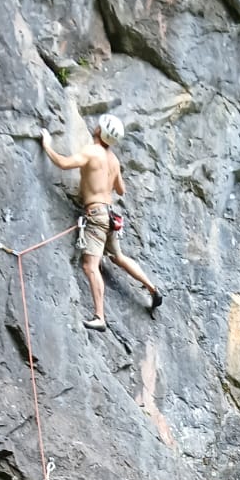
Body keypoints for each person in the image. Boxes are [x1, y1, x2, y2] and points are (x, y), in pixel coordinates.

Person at [39, 114, 163, 332]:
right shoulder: (114, 160)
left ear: (100, 131)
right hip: (109, 216)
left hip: (96, 215)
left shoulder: (91, 151)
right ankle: (152, 289)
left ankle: (100, 317)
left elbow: (63, 163)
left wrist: (47, 145)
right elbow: (121, 190)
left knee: (90, 265)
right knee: (119, 257)